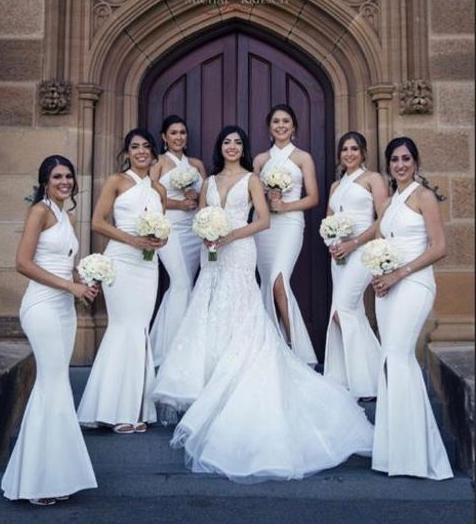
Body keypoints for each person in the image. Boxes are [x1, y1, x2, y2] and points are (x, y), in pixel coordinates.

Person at [151, 126, 373, 482]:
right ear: (219, 147)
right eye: (227, 142)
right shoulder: (207, 181)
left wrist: (230, 235)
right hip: (213, 255)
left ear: (244, 147)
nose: (233, 147)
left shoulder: (253, 179)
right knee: (208, 310)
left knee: (241, 307)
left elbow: (264, 220)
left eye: (238, 142)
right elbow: (197, 217)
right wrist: (207, 234)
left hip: (238, 250)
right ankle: (208, 384)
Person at [1, 155, 97, 505]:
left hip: (64, 309)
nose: (65, 182)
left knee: (55, 385)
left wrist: (81, 282)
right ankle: (39, 481)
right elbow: (22, 263)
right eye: (57, 176)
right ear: (45, 180)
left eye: (68, 176)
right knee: (52, 383)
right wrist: (68, 287)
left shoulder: (65, 215)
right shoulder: (39, 211)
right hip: (41, 306)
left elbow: (64, 263)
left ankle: (51, 474)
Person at [371, 137, 453, 479]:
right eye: (394, 160)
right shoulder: (390, 202)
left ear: (415, 162)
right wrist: (378, 270)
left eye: (406, 158)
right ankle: (396, 451)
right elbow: (379, 238)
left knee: (398, 355)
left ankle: (416, 455)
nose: (400, 164)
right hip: (388, 286)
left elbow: (439, 248)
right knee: (391, 360)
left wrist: (400, 273)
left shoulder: (424, 197)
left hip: (415, 284)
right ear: (389, 165)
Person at [77, 129, 166, 434]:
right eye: (134, 147)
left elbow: (162, 233)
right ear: (127, 153)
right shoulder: (116, 181)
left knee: (140, 328)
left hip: (147, 266)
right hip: (122, 262)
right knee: (122, 326)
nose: (140, 151)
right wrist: (133, 240)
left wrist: (157, 240)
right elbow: (98, 222)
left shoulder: (159, 190)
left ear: (153, 152)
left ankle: (137, 409)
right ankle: (112, 409)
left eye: (145, 146)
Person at [323, 132, 387, 398]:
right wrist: (332, 243)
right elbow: (328, 221)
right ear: (340, 155)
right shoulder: (336, 187)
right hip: (339, 256)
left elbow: (384, 220)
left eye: (354, 149)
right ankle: (360, 379)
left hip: (362, 252)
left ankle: (370, 376)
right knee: (352, 313)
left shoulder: (373, 179)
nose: (349, 154)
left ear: (362, 152)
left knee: (343, 310)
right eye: (344, 150)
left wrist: (354, 243)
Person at [253, 104, 318, 364]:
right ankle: (271, 349)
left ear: (294, 127)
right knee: (266, 283)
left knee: (279, 279)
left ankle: (297, 350)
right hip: (266, 227)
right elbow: (253, 198)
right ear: (269, 128)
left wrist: (286, 205)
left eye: (286, 121)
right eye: (276, 122)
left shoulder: (303, 158)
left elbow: (313, 197)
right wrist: (268, 200)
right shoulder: (260, 160)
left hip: (291, 223)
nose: (281, 125)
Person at [150, 115, 206, 367]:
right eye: (173, 132)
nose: (179, 137)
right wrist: (178, 203)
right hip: (169, 227)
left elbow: (207, 196)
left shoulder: (196, 164)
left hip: (193, 230)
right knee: (180, 283)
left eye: (182, 132)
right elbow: (149, 197)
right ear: (164, 137)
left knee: (185, 286)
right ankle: (171, 351)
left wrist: (195, 198)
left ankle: (174, 345)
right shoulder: (158, 162)